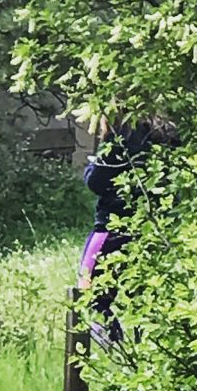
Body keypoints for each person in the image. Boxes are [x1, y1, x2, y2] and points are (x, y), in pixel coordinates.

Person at [77, 115, 175, 344]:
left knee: (88, 291)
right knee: (145, 297)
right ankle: (149, 352)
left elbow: (96, 181)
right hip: (151, 230)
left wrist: (91, 168)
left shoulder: (119, 139)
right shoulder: (163, 137)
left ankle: (114, 348)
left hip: (111, 228)